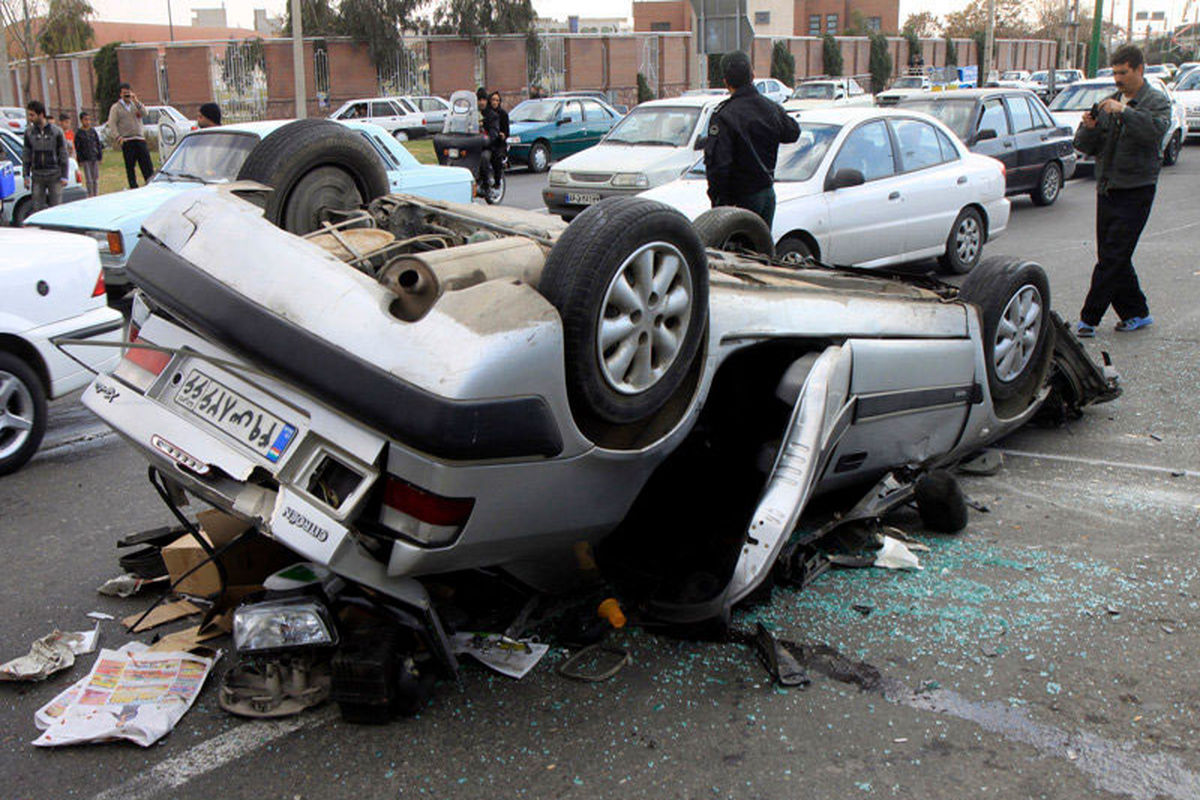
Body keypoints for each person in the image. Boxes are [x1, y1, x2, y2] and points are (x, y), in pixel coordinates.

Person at [1073, 44, 1170, 337]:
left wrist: (1124, 111)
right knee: (1114, 255)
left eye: (1123, 73)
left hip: (1137, 189)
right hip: (1108, 189)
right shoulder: (1107, 103)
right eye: (1114, 72)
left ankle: (1088, 319)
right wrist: (1088, 128)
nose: (1117, 79)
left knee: (1113, 256)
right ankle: (1137, 313)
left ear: (1139, 70)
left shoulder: (1155, 101)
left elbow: (1153, 133)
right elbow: (1086, 146)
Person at [703, 51, 800, 227]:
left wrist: (718, 202)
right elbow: (793, 132)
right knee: (761, 250)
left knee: (736, 252)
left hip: (738, 200)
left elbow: (719, 166)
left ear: (725, 81)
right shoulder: (770, 108)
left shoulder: (724, 115)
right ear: (753, 75)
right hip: (766, 193)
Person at [21, 100, 68, 212]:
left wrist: (64, 175)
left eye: (32, 115)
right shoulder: (29, 132)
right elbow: (26, 154)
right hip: (37, 175)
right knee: (37, 208)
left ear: (41, 114)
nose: (30, 118)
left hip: (54, 175)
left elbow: (63, 154)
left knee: (56, 208)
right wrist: (26, 175)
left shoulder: (56, 132)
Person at [107, 82, 153, 189]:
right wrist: (118, 137)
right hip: (127, 140)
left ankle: (150, 184)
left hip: (139, 139)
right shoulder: (116, 108)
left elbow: (145, 113)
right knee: (130, 167)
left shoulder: (135, 105)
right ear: (120, 94)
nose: (127, 95)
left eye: (128, 93)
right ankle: (133, 187)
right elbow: (112, 124)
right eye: (124, 93)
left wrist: (136, 101)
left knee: (147, 165)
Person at [74, 111, 103, 198]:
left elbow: (98, 144)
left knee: (95, 178)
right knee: (89, 179)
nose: (87, 122)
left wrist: (99, 156)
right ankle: (90, 194)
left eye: (89, 120)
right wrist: (80, 160)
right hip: (85, 158)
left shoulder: (92, 131)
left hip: (94, 156)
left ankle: (96, 193)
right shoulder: (79, 133)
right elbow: (78, 148)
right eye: (85, 120)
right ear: (81, 121)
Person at [484, 91, 509, 188]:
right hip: (486, 140)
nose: (495, 102)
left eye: (497, 100)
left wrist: (503, 135)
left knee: (496, 157)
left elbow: (506, 132)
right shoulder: (486, 113)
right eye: (493, 100)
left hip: (498, 142)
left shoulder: (503, 114)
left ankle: (497, 181)